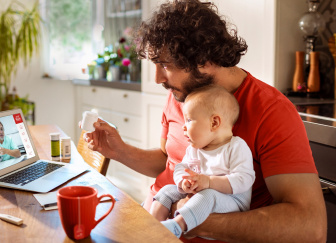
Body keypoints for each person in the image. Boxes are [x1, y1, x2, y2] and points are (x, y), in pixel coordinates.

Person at [84, 0, 327, 242]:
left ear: (204, 59)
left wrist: (194, 220)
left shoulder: (271, 111)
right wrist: (120, 151)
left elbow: (311, 227)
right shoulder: (180, 93)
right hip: (151, 221)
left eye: (165, 65)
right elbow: (168, 160)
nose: (158, 78)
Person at [150, 85, 255, 239]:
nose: (183, 127)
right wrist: (183, 181)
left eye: (189, 120)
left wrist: (209, 182)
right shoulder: (195, 148)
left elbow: (245, 179)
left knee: (208, 195)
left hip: (232, 201)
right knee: (167, 190)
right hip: (199, 192)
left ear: (214, 123)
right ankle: (152, 226)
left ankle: (177, 226)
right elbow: (182, 167)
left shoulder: (236, 146)